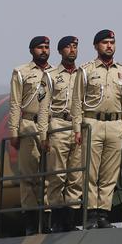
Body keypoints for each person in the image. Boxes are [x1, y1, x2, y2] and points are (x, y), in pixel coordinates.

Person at [69, 29, 122, 229]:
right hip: (92, 123)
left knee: (109, 172)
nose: (109, 46)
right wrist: (77, 128)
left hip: (114, 124)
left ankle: (103, 214)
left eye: (112, 42)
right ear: (96, 46)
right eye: (105, 43)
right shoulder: (86, 71)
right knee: (91, 172)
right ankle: (91, 214)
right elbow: (77, 102)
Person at [37, 36, 83, 232]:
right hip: (58, 124)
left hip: (77, 126)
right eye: (68, 47)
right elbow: (43, 107)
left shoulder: (84, 74)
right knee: (57, 175)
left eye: (75, 47)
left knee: (75, 176)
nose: (72, 50)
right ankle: (56, 219)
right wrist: (43, 135)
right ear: (60, 51)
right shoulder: (51, 75)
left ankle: (70, 221)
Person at [8, 36, 51, 235]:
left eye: (47, 47)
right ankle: (31, 222)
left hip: (51, 126)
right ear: (32, 50)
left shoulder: (55, 73)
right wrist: (14, 131)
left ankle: (48, 220)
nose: (44, 50)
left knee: (50, 176)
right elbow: (15, 103)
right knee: (29, 177)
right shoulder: (21, 72)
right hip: (28, 124)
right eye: (40, 47)